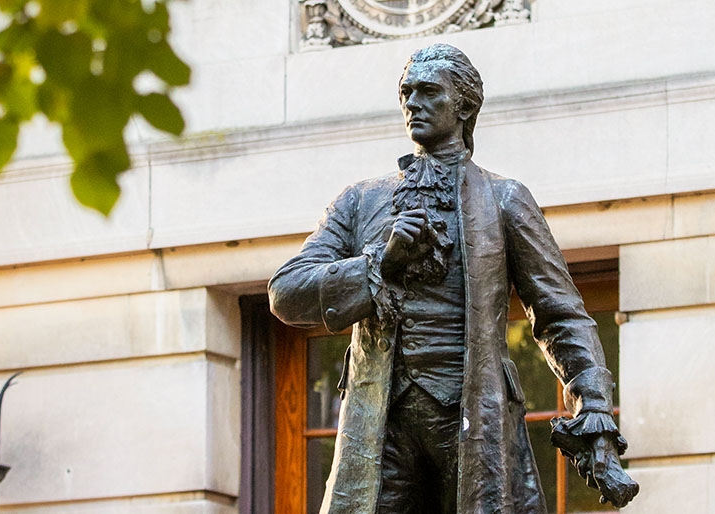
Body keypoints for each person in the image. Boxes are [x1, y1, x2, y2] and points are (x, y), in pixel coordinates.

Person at [269, 43, 633, 514]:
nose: (412, 104)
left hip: (472, 414)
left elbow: (560, 313)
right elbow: (286, 292)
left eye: (428, 92)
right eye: (405, 93)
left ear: (464, 105)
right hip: (381, 420)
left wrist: (596, 406)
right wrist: (379, 262)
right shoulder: (360, 201)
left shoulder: (504, 199)